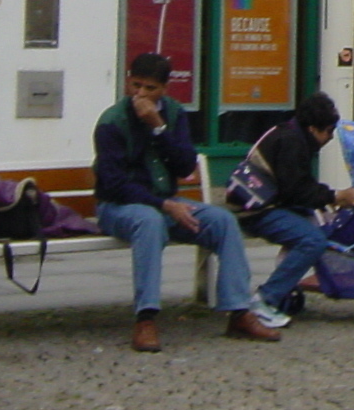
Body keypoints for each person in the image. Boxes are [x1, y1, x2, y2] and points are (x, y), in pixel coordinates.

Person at [93, 54, 280, 351]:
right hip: (119, 207)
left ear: (164, 89)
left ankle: (239, 311)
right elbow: (113, 185)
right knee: (149, 221)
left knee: (222, 222)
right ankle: (146, 318)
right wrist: (164, 205)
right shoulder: (112, 121)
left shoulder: (174, 114)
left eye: (149, 88)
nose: (140, 94)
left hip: (166, 202)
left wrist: (158, 127)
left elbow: (184, 165)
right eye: (136, 85)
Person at [239, 92, 354, 322]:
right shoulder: (292, 142)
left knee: (318, 224)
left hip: (262, 203)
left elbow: (297, 189)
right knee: (313, 240)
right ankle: (266, 299)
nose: (330, 137)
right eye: (328, 131)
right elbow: (297, 190)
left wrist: (328, 201)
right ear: (313, 128)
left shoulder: (289, 133)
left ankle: (286, 283)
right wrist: (336, 196)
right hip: (256, 210)